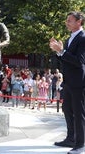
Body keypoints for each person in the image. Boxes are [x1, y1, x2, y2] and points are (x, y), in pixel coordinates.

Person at [49, 11, 85, 154]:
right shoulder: (70, 38)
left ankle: (80, 144)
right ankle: (70, 138)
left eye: (70, 20)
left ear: (79, 22)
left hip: (78, 83)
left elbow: (79, 61)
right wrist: (59, 53)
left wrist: (62, 51)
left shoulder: (83, 38)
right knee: (67, 110)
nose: (67, 22)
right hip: (68, 82)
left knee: (79, 113)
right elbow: (66, 60)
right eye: (67, 20)